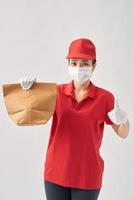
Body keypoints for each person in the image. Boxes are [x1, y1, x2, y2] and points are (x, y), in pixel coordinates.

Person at [18, 38, 129, 200]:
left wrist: (123, 120)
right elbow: (29, 116)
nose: (79, 68)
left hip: (87, 175)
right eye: (74, 63)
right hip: (56, 172)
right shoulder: (56, 93)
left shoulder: (105, 98)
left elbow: (123, 133)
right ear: (68, 64)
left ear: (94, 66)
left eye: (85, 63)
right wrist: (27, 93)